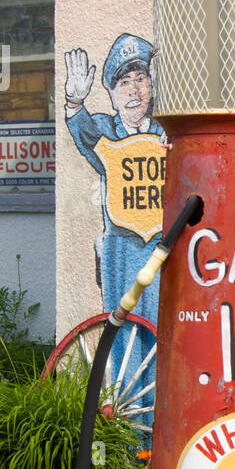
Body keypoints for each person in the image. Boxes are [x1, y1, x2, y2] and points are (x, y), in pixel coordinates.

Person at [64, 34, 166, 330]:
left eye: (140, 78)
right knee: (121, 324)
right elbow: (84, 132)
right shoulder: (105, 130)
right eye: (123, 83)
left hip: (164, 243)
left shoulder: (167, 128)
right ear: (111, 92)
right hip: (121, 246)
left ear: (150, 83)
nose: (134, 90)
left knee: (164, 322)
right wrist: (74, 101)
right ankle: (121, 379)